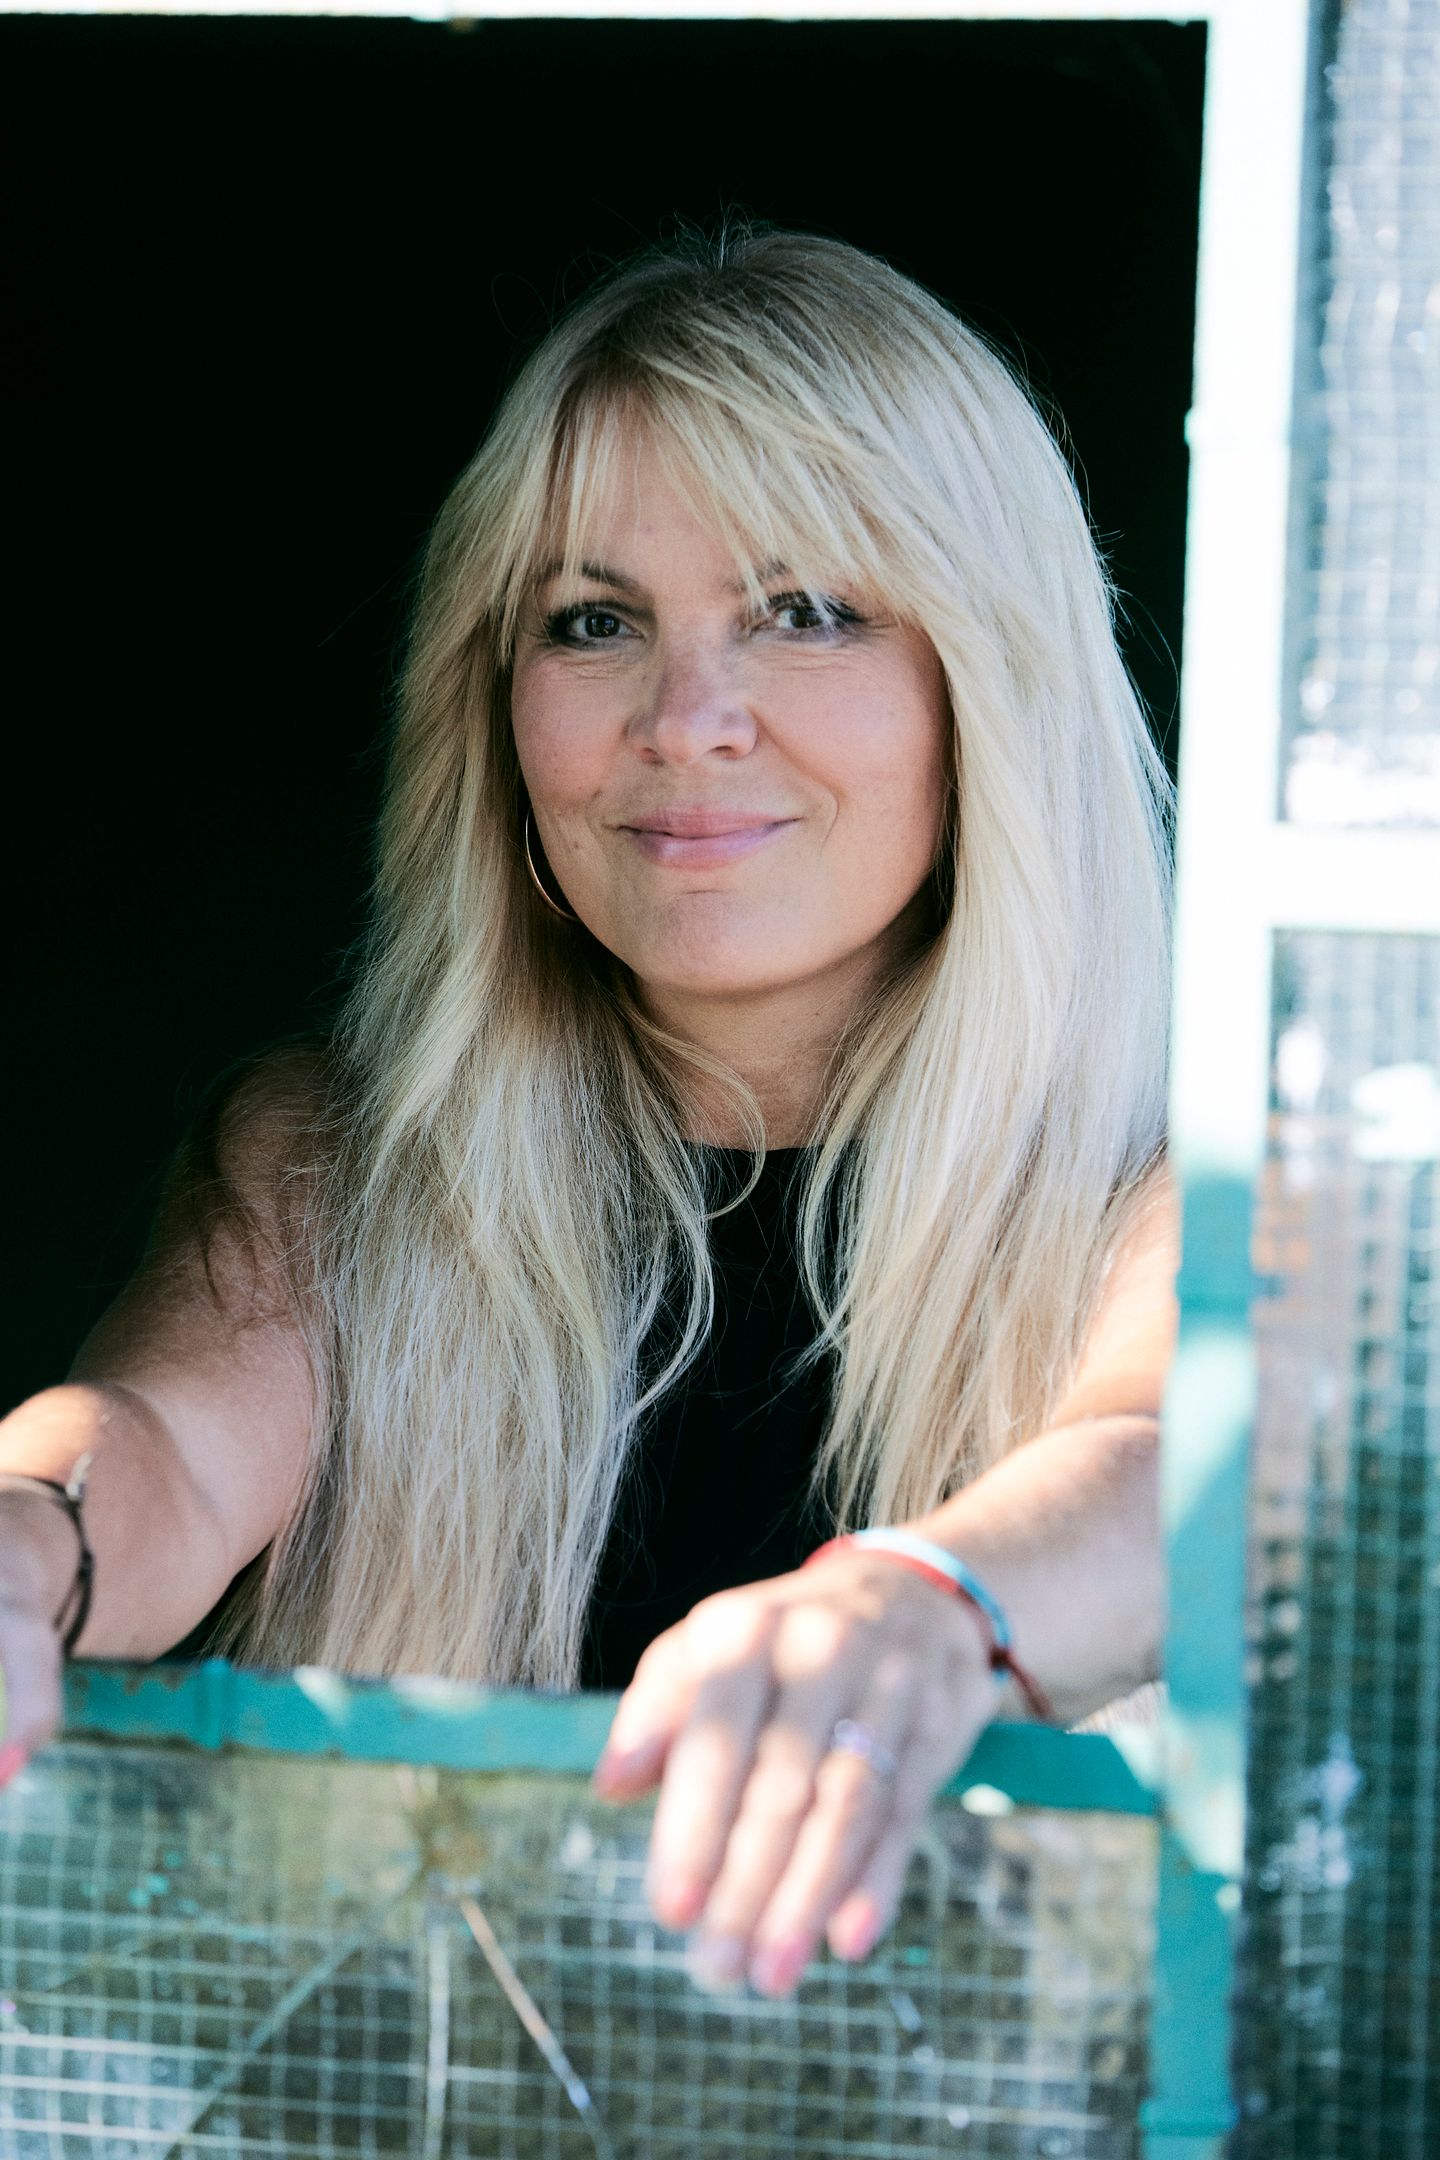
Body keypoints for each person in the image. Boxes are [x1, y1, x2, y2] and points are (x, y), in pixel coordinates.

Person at [0, 224, 1178, 2000]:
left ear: (985, 683)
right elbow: (151, 1448)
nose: (686, 720)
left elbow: (1173, 1459)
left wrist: (928, 1604)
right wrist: (23, 1543)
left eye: (805, 610)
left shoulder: (1180, 1194)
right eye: (594, 622)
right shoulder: (334, 1170)